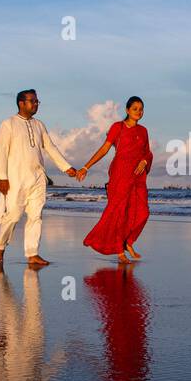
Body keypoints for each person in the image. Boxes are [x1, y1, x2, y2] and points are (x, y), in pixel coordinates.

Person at [0, 89, 78, 266]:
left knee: (35, 216)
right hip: (16, 177)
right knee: (14, 215)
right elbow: (1, 151)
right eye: (32, 101)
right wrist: (1, 177)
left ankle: (32, 253)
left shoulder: (39, 125)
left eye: (37, 101)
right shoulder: (8, 124)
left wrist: (66, 167)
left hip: (38, 177)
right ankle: (0, 246)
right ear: (21, 103)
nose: (36, 104)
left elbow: (50, 147)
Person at [77, 96, 152, 263]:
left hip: (138, 176)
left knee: (142, 212)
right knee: (118, 212)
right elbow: (104, 149)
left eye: (141, 109)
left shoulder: (143, 131)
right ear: (127, 110)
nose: (138, 112)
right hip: (120, 174)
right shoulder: (118, 127)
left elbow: (147, 152)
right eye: (135, 109)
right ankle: (119, 250)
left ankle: (128, 241)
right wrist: (86, 167)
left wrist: (145, 160)